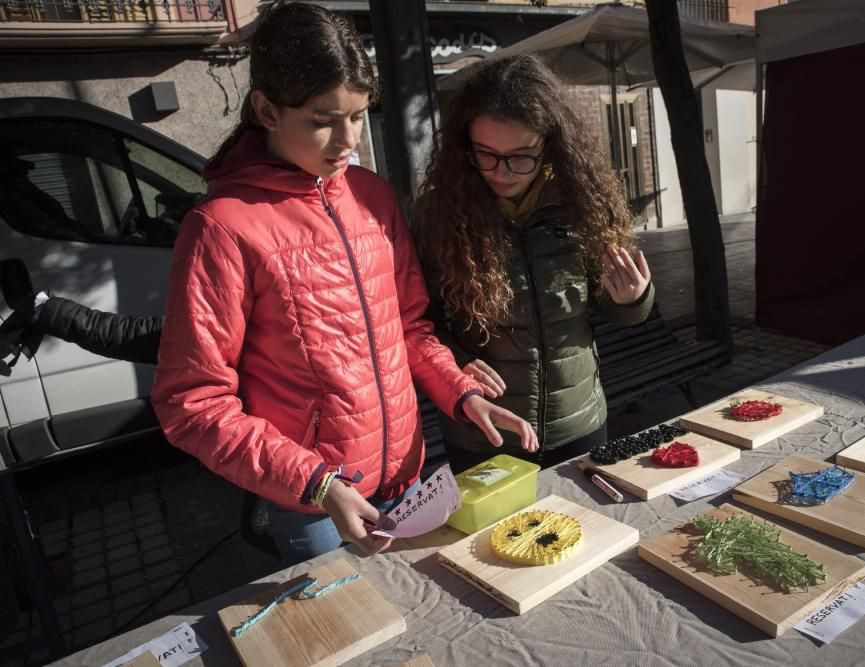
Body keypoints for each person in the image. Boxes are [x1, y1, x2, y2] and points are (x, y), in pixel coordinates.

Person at [150, 3, 537, 565]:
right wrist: (316, 482)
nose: (346, 138)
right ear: (266, 110)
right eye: (322, 118)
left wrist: (460, 391)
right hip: (312, 501)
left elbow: (407, 327)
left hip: (406, 472)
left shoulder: (372, 195)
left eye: (358, 115)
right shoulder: (223, 226)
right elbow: (193, 403)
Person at [410, 53, 654, 473]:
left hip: (578, 423)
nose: (502, 172)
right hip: (484, 430)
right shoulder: (439, 213)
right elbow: (417, 320)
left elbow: (606, 309)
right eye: (485, 154)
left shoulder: (584, 203)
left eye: (522, 156)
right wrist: (453, 367)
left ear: (551, 145)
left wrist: (634, 300)